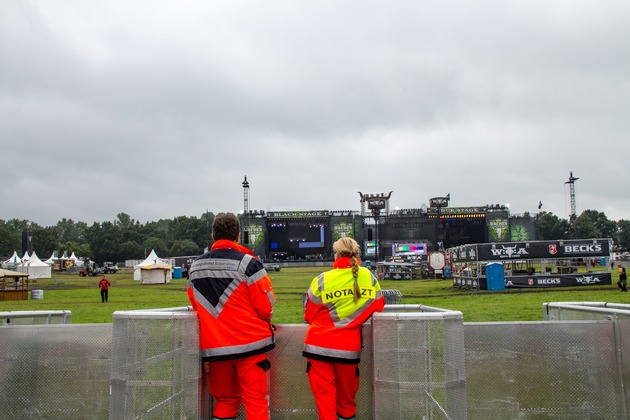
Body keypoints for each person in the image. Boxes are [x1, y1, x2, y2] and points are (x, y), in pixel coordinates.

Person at [187, 213, 276, 420]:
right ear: (237, 235)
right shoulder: (249, 263)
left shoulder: (194, 267)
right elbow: (266, 306)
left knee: (225, 401)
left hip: (215, 349)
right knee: (256, 401)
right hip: (250, 346)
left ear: (213, 235)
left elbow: (195, 304)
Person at [303, 237, 385, 420]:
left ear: (337, 254)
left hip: (318, 347)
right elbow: (379, 306)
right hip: (348, 350)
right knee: (347, 403)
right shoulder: (368, 278)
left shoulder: (322, 280)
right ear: (357, 254)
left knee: (325, 403)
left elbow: (308, 316)